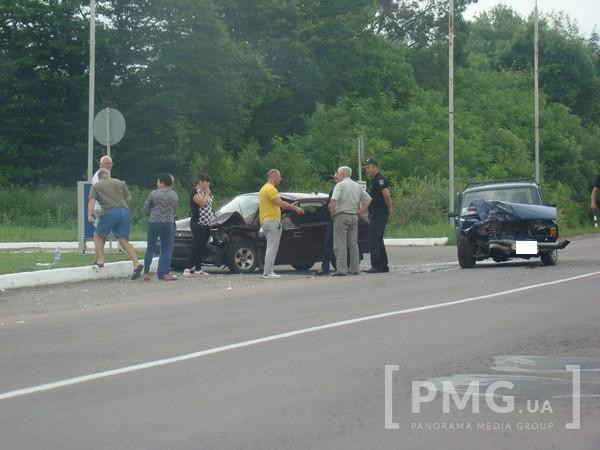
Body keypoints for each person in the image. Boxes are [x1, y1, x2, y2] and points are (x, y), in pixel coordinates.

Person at [87, 168, 143, 279]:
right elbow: (129, 198)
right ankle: (136, 264)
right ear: (108, 175)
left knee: (98, 235)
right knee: (124, 241)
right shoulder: (119, 182)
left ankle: (100, 260)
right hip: (125, 211)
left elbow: (92, 201)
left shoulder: (96, 186)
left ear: (99, 177)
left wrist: (89, 215)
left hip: (110, 211)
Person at [259, 169, 304, 279]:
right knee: (272, 247)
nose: (280, 179)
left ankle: (268, 270)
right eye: (279, 177)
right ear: (273, 176)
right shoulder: (271, 189)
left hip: (265, 221)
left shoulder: (263, 188)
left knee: (270, 247)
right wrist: (295, 208)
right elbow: (280, 203)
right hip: (272, 221)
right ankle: (268, 272)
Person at [329, 166, 371, 276]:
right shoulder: (357, 185)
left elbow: (334, 199)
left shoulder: (340, 185)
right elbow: (368, 199)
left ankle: (341, 269)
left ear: (342, 174)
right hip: (354, 216)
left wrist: (333, 212)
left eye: (338, 173)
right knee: (353, 243)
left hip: (342, 215)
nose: (337, 176)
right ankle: (355, 268)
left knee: (340, 243)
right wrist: (360, 211)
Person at [142, 173, 179, 281]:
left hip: (154, 222)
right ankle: (165, 273)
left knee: (150, 247)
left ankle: (146, 273)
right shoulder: (174, 195)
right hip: (168, 223)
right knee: (166, 249)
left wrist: (150, 213)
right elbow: (174, 208)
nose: (157, 183)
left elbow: (146, 206)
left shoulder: (154, 194)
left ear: (162, 183)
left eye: (158, 181)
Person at [364, 158, 393, 273]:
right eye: (366, 168)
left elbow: (386, 195)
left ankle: (376, 265)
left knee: (374, 238)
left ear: (375, 166)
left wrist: (389, 208)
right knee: (378, 239)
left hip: (380, 213)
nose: (367, 170)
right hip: (375, 213)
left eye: (368, 167)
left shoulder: (380, 179)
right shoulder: (374, 180)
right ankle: (383, 265)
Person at [184, 172, 215, 277]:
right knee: (197, 245)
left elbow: (209, 206)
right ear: (201, 182)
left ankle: (198, 268)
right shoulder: (195, 192)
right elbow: (202, 203)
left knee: (202, 246)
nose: (208, 184)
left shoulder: (206, 192)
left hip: (206, 223)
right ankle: (188, 268)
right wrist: (206, 194)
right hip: (198, 223)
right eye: (206, 182)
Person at [316, 172, 340, 275]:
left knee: (329, 244)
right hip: (342, 218)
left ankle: (325, 267)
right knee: (339, 244)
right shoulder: (345, 188)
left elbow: (330, 204)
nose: (335, 179)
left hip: (333, 219)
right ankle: (341, 266)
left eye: (336, 177)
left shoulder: (336, 189)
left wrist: (331, 214)